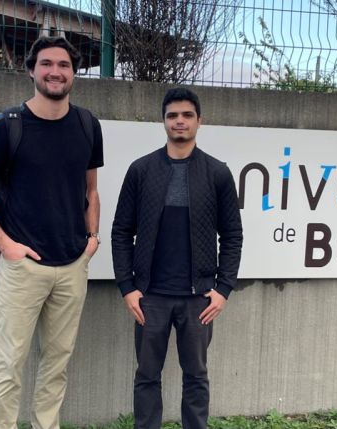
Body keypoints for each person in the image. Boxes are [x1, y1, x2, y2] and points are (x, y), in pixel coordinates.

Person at [0, 36, 104, 429]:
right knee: (8, 365)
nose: (55, 71)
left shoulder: (88, 125)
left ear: (74, 73)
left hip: (73, 264)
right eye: (46, 64)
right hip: (23, 268)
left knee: (56, 364)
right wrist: (6, 244)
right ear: (31, 71)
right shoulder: (7, 127)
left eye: (63, 65)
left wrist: (92, 239)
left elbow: (91, 191)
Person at [111, 87, 243, 429]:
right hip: (150, 296)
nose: (179, 121)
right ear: (163, 121)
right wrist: (127, 287)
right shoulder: (141, 170)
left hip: (198, 299)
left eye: (186, 115)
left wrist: (223, 288)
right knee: (147, 376)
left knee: (196, 376)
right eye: (172, 115)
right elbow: (121, 231)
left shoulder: (217, 173)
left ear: (200, 120)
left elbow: (232, 236)